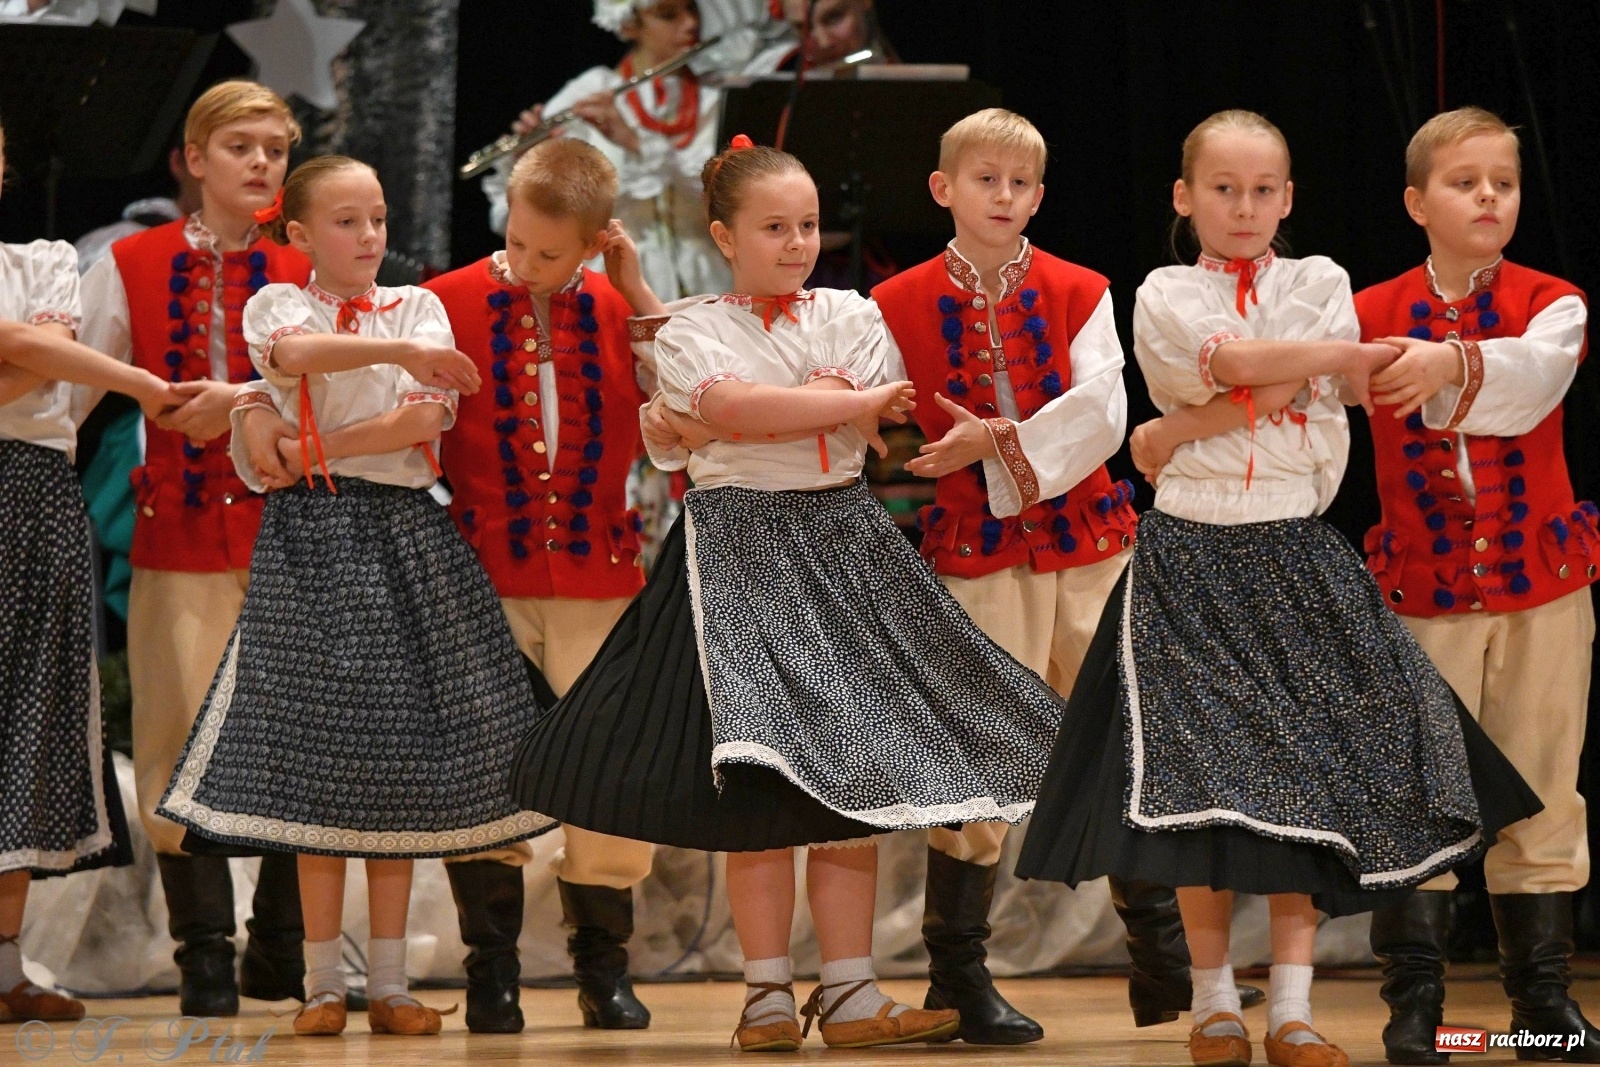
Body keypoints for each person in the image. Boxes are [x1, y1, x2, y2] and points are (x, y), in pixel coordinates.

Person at [511, 135, 1068, 1052]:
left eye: (807, 225)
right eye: (774, 227)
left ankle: (849, 992)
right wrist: (835, 404)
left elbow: (758, 409)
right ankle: (766, 994)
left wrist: (761, 410)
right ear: (725, 237)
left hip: (842, 544)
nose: (798, 242)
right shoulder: (691, 328)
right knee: (760, 787)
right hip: (737, 551)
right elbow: (739, 409)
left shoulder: (848, 311)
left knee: (857, 773)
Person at [1013, 109, 1541, 1067]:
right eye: (1224, 189)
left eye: (1263, 190)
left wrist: (1188, 423)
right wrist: (1330, 358)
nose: (1245, 207)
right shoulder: (1167, 291)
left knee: (1308, 779)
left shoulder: (1320, 279)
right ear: (1185, 197)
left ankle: (1293, 1009)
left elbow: (1283, 387)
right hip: (1191, 554)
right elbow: (1241, 366)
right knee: (1198, 788)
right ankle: (1215, 1003)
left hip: (1295, 547)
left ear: (1288, 198)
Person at [871, 106, 1263, 1044]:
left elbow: (1101, 409)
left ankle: (1161, 959)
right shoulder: (893, 302)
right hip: (977, 553)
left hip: (1089, 545)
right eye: (985, 180)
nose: (1003, 196)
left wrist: (996, 442)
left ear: (1040, 195)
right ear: (943, 188)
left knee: (1126, 741)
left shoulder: (1080, 287)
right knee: (978, 757)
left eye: (1020, 183)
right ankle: (957, 978)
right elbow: (866, 402)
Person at [155, 154, 554, 1037]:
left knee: (394, 765)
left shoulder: (418, 305)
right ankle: (321, 980)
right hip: (312, 540)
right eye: (346, 221)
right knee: (320, 768)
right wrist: (394, 357)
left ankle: (391, 980)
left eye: (377, 218)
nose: (370, 235)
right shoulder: (282, 304)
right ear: (299, 233)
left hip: (401, 533)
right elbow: (291, 355)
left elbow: (423, 419)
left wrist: (310, 448)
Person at [1355, 106, 1600, 1065]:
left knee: (1543, 782)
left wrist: (1447, 360)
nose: (1490, 197)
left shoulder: (1555, 301)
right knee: (1417, 788)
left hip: (1541, 583)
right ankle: (1414, 1002)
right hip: (1424, 589)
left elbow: (1532, 383)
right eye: (1466, 183)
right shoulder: (1365, 312)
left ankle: (1541, 1001)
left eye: (1504, 181)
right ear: (1418, 202)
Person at [77, 79, 313, 1019]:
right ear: (193, 157)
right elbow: (70, 396)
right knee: (174, 737)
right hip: (176, 533)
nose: (260, 163)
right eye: (241, 147)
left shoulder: (306, 263)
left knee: (301, 732)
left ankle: (281, 947)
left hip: (292, 534)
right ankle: (204, 958)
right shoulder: (130, 262)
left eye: (275, 150)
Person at [423, 137, 667, 1034]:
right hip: (484, 577)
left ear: (597, 240)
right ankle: (491, 970)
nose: (526, 263)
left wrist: (638, 292)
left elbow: (691, 398)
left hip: (600, 574)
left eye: (550, 252)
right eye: (517, 241)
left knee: (611, 770)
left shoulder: (624, 309)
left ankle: (603, 966)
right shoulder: (443, 301)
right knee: (485, 773)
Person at [0, 113, 178, 1020]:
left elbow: (44, 363)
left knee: (29, 719)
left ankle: (4, 969)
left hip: (32, 492)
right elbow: (33, 355)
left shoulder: (40, 259)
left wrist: (31, 352)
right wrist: (138, 382)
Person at [483, 0, 730, 302]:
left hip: (706, 284)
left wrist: (636, 142)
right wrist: (529, 161)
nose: (690, 23)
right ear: (630, 25)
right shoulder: (592, 90)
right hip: (607, 286)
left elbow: (727, 198)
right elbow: (533, 216)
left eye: (691, 9)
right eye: (668, 15)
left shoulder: (716, 95)